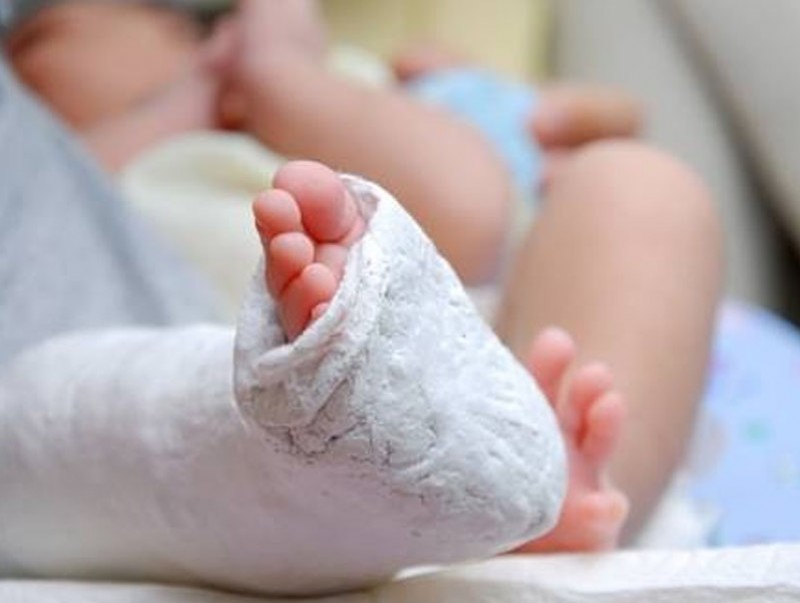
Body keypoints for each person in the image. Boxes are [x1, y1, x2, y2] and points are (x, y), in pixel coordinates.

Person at [0, 0, 721, 559]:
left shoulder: (333, 87)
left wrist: (281, 77)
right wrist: (191, 101)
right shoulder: (99, 176)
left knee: (637, 189)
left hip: (499, 351)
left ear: (200, 37)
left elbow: (470, 213)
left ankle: (565, 484)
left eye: (38, 38)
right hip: (253, 437)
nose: (21, 64)